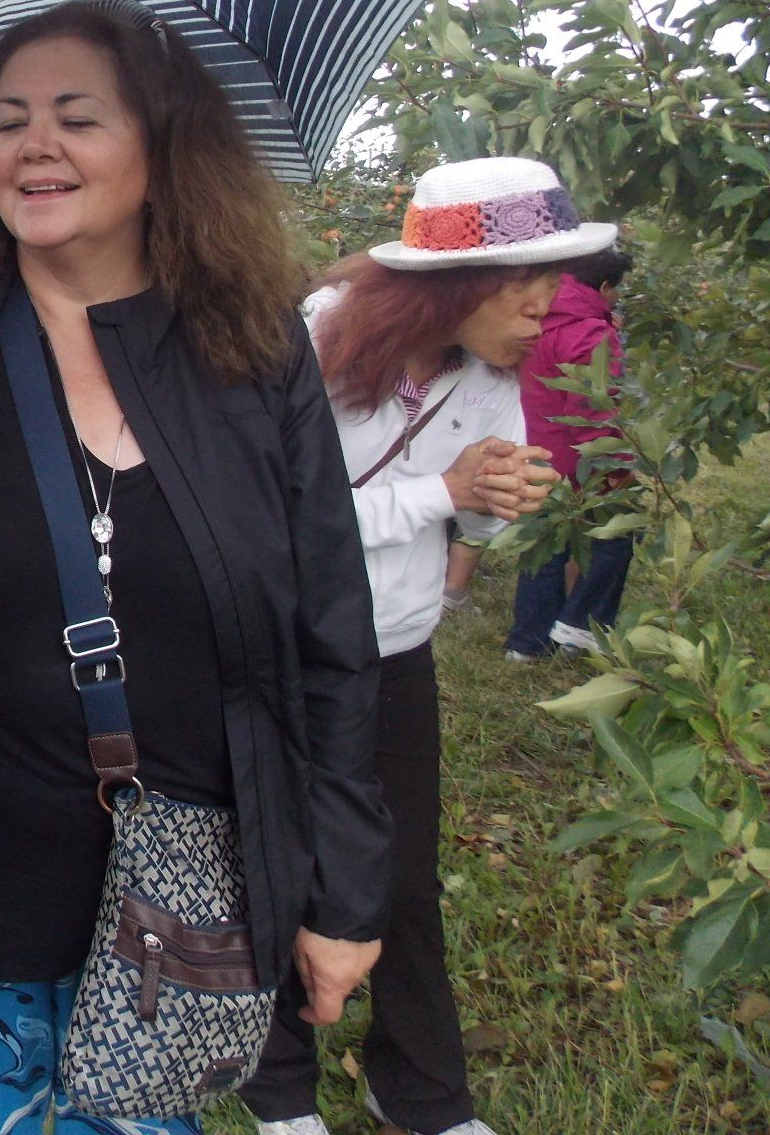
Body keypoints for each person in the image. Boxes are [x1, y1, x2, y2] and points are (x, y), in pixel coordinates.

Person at [0, 2, 391, 1135]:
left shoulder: (251, 354)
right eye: (8, 122)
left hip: (180, 905)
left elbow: (333, 638)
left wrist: (345, 895)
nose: (34, 146)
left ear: (162, 150)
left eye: (76, 116)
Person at [242, 157, 617, 1135]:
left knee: (403, 877)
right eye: (525, 278)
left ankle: (417, 1091)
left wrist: (494, 504)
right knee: (273, 861)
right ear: (451, 282)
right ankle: (278, 1087)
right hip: (277, 653)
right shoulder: (315, 336)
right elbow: (271, 516)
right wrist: (441, 493)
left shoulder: (493, 373)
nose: (547, 306)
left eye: (557, 276)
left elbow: (471, 530)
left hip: (394, 654)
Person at [503, 245, 636, 661]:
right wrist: (616, 468)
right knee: (614, 538)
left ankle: (527, 644)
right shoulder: (593, 332)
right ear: (603, 286)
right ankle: (580, 627)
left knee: (543, 546)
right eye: (616, 291)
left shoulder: (531, 318)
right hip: (580, 459)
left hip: (532, 449)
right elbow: (596, 407)